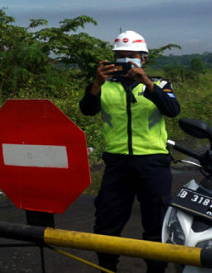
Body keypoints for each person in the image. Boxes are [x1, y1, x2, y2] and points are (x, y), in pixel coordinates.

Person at [79, 30, 180, 273]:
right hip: (117, 164)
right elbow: (87, 110)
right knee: (106, 223)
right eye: (120, 58)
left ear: (143, 59)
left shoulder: (160, 84)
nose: (125, 64)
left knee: (156, 224)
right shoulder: (104, 86)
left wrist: (148, 84)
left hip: (153, 163)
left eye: (131, 57)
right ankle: (107, 268)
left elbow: (172, 110)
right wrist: (96, 83)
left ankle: (155, 270)